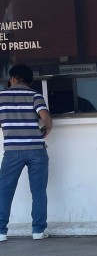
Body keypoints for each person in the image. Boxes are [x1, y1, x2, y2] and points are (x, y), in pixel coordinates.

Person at [0, 64, 53, 242]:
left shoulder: (1, 96)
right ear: (29, 81)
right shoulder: (35, 95)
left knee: (4, 191)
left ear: (13, 78)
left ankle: (1, 231)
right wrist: (44, 131)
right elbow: (45, 117)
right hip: (36, 150)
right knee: (38, 191)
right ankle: (38, 231)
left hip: (12, 151)